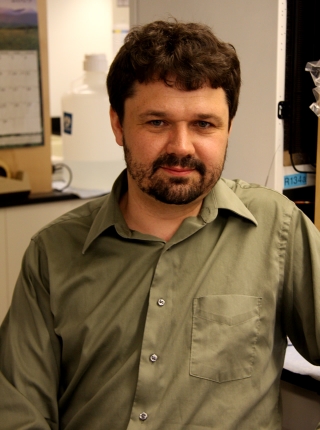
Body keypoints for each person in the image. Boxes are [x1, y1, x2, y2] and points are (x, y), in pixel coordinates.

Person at [0, 19, 319, 430]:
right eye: (156, 122)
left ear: (228, 129)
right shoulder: (52, 251)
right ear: (118, 125)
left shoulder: (276, 227)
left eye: (204, 124)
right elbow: (17, 410)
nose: (181, 147)